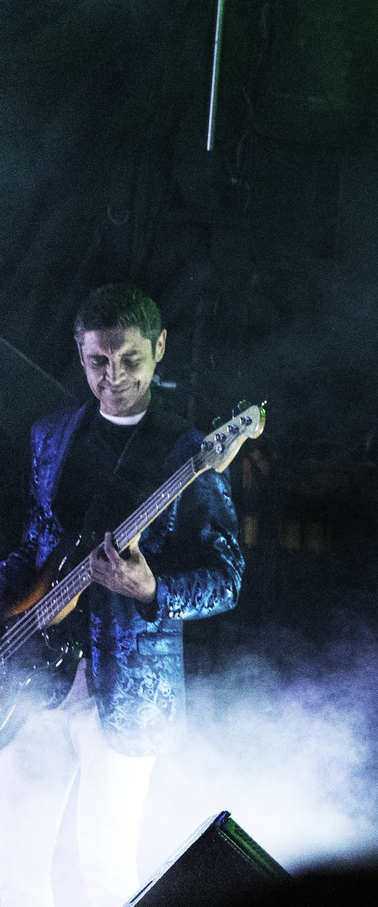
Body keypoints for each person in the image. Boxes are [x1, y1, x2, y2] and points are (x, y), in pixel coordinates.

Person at [0, 282, 244, 907]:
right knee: (13, 858)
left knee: (104, 865)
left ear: (160, 347)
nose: (113, 378)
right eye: (97, 362)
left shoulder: (190, 453)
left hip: (128, 689)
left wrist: (152, 587)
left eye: (130, 359)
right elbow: (34, 544)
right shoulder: (51, 434)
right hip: (36, 676)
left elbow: (226, 577)